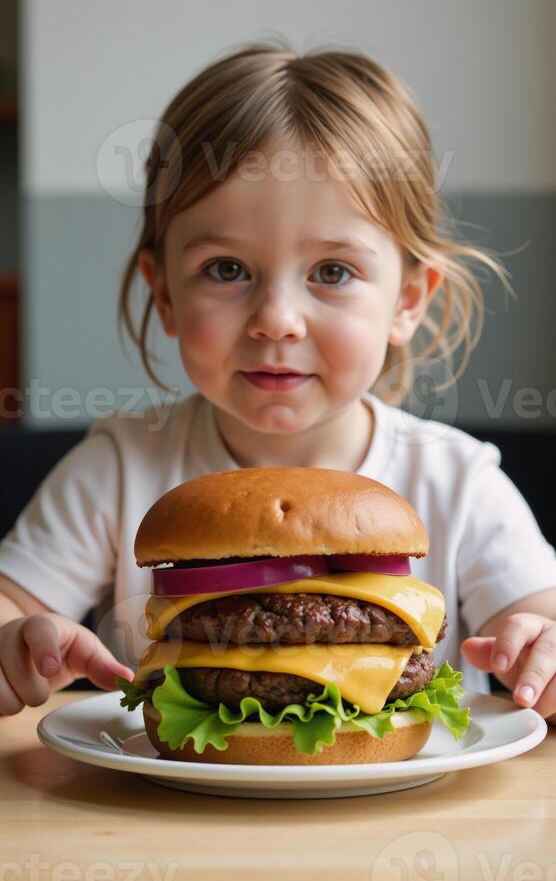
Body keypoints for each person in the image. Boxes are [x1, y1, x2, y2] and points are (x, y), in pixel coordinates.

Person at [0, 39, 555, 723]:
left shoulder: (456, 479)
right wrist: (16, 642)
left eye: (332, 272)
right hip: (159, 817)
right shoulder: (117, 467)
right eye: (227, 269)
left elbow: (539, 616)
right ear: (165, 293)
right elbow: (14, 605)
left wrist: (542, 649)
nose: (276, 320)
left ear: (409, 299)